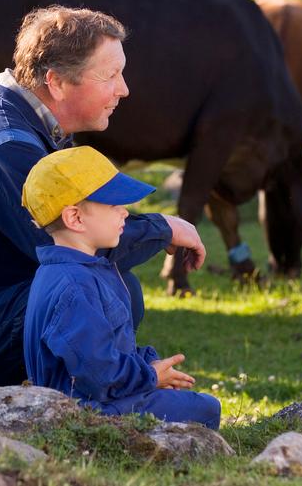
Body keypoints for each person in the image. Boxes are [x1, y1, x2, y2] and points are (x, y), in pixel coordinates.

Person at [0, 6, 205, 395]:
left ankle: (85, 388)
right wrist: (164, 227)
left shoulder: (28, 129)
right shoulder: (5, 144)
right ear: (55, 82)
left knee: (107, 285)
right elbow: (74, 240)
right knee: (97, 286)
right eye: (110, 75)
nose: (124, 89)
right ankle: (97, 396)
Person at [21, 145, 220, 428]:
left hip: (103, 398)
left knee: (192, 404)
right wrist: (151, 377)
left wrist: (149, 363)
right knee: (206, 409)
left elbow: (110, 346)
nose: (125, 213)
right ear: (75, 218)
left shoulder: (83, 270)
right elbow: (98, 373)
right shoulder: (74, 286)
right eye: (114, 205)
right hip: (86, 414)